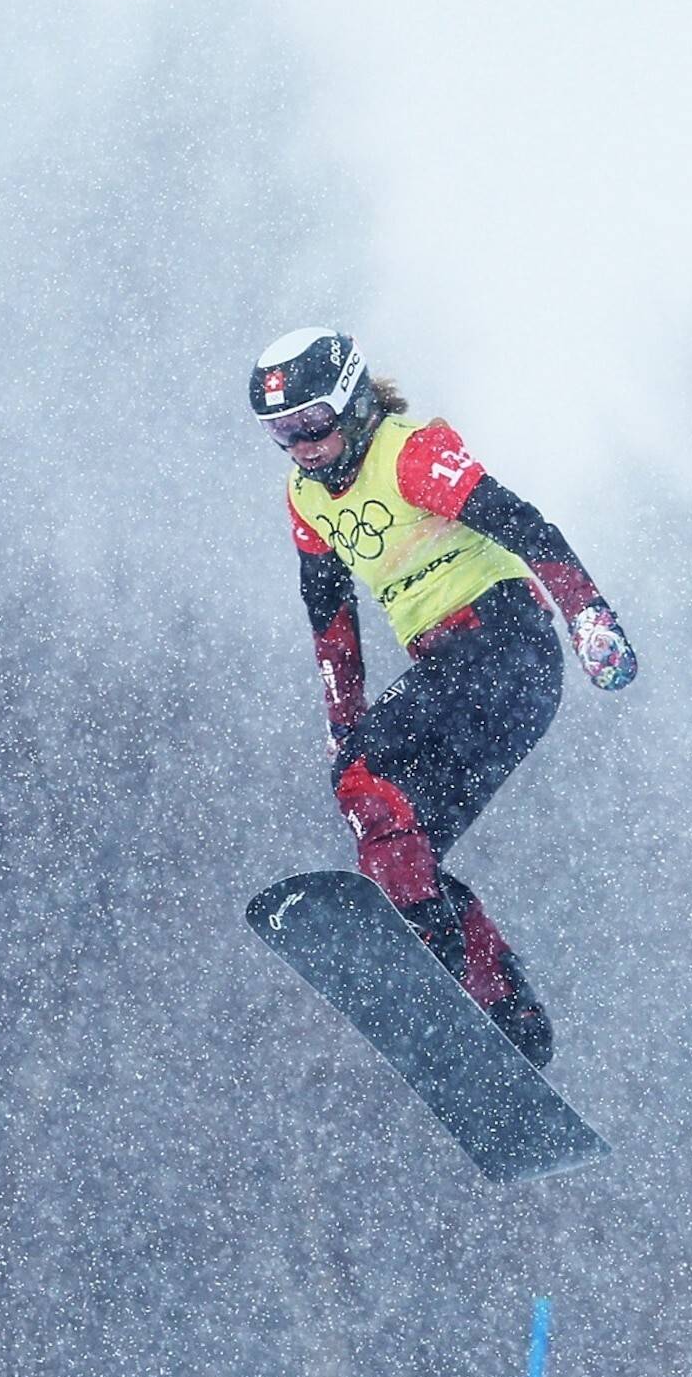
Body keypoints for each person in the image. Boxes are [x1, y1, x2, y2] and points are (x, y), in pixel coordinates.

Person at [250, 326, 637, 1067]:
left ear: (355, 404)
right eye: (281, 432)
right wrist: (343, 725)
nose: (302, 447)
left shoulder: (409, 453)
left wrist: (589, 614)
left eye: (312, 425)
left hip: (503, 645)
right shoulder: (306, 498)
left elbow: (524, 523)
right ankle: (507, 1015)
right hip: (462, 678)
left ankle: (423, 936)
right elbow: (330, 620)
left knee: (366, 784)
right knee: (401, 844)